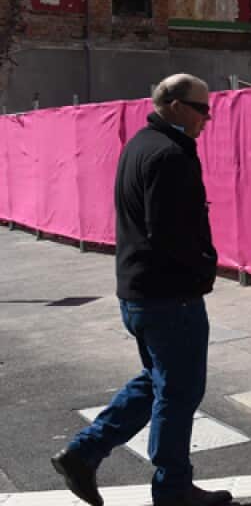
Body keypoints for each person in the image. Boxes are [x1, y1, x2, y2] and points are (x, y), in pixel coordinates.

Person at [51, 74, 232, 506]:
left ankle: (84, 451)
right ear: (173, 105)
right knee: (180, 390)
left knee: (158, 381)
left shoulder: (139, 145)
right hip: (169, 295)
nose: (207, 118)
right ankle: (172, 487)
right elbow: (169, 231)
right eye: (201, 108)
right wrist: (204, 268)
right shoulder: (170, 155)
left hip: (139, 292)